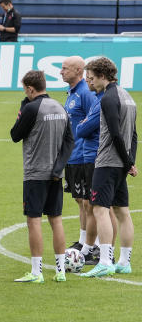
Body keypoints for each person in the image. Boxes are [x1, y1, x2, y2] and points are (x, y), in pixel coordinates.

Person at [9, 70, 74, 284]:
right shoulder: (60, 107)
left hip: (35, 172)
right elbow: (69, 142)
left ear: (30, 88)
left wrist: (22, 108)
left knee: (34, 221)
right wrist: (59, 168)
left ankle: (36, 272)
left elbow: (15, 135)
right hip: (55, 174)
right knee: (56, 220)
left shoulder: (31, 108)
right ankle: (60, 271)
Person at [80, 57, 136, 278]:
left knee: (100, 210)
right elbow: (133, 134)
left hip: (107, 162)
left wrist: (127, 161)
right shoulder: (128, 97)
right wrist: (130, 161)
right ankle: (124, 262)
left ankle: (104, 261)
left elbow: (114, 133)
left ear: (103, 76)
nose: (90, 82)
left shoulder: (108, 98)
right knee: (123, 212)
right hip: (121, 163)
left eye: (92, 78)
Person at [59, 56, 99, 253]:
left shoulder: (85, 93)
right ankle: (84, 239)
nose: (61, 71)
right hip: (72, 155)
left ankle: (94, 244)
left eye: (65, 68)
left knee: (88, 202)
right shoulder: (72, 92)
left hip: (84, 154)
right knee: (80, 200)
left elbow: (94, 121)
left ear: (78, 71)